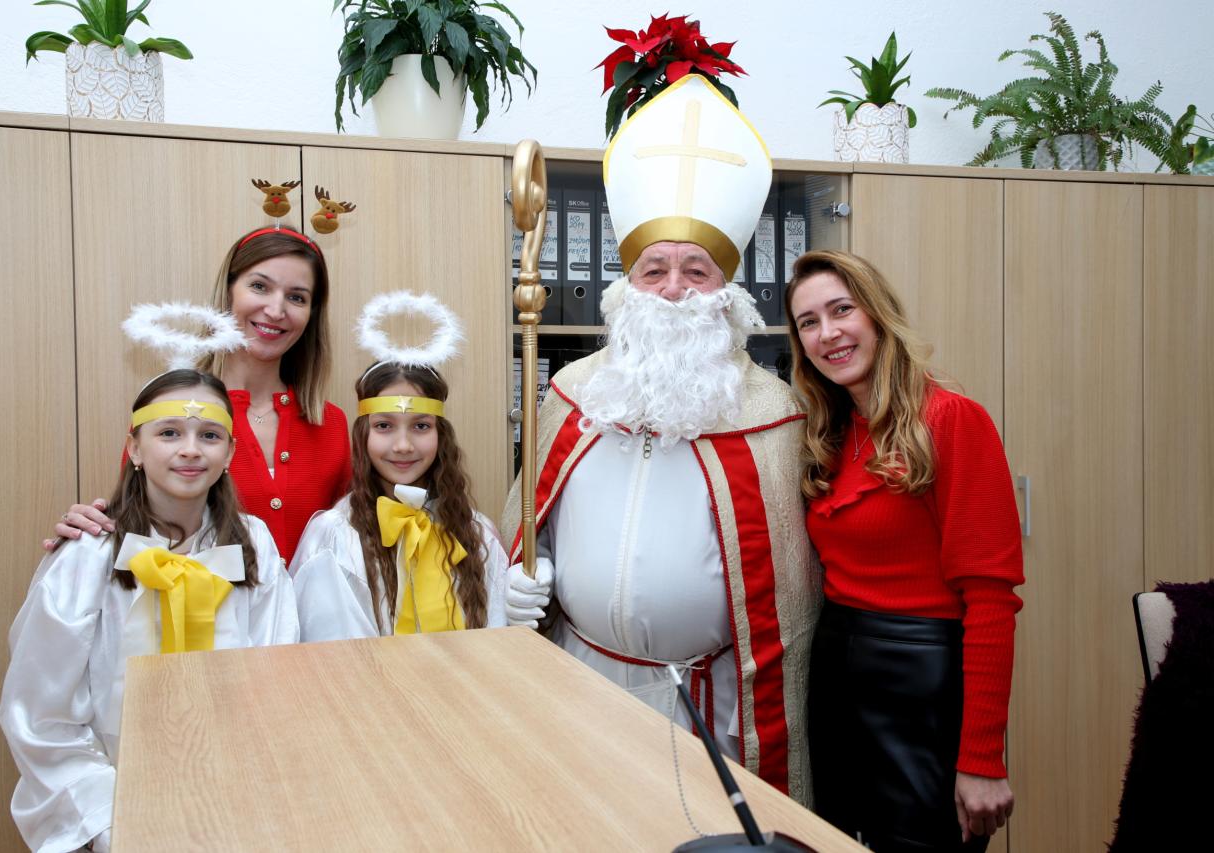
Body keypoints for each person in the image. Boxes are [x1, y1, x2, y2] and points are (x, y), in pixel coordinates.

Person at [501, 75, 820, 801]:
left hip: (706, 706)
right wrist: (518, 581)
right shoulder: (573, 391)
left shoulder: (774, 414)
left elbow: (789, 598)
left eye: (696, 270)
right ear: (627, 287)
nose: (674, 287)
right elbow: (529, 526)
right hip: (578, 682)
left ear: (727, 293)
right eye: (655, 269)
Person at [0, 369, 299, 853]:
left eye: (209, 436)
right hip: (114, 812)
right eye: (169, 433)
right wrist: (113, 824)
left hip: (237, 803)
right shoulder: (88, 555)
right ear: (135, 449)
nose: (190, 450)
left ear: (230, 453)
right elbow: (42, 715)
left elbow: (274, 675)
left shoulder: (255, 547)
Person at [785, 249, 1023, 851]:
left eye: (842, 310)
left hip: (920, 688)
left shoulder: (952, 420)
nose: (828, 333)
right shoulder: (828, 434)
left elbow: (991, 600)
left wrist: (982, 758)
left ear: (878, 314)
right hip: (835, 677)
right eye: (809, 322)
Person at [48, 226, 352, 562]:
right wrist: (93, 531)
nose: (276, 310)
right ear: (228, 291)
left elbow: (352, 537)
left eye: (297, 297)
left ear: (311, 314)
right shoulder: (169, 409)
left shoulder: (331, 423)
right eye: (259, 286)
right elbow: (136, 529)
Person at [291, 293, 506, 638]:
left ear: (440, 435)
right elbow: (331, 646)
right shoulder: (334, 538)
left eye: (420, 426)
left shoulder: (477, 535)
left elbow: (495, 636)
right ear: (363, 435)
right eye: (384, 426)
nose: (403, 445)